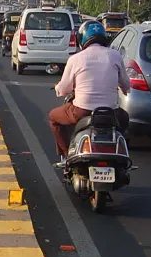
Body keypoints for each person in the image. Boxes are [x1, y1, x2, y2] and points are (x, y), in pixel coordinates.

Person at [50, 21, 129, 159]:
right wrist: (123, 88)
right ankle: (120, 150)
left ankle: (66, 153)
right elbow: (126, 84)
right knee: (125, 118)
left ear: (82, 39)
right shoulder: (115, 56)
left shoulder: (75, 59)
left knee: (53, 117)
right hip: (112, 113)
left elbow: (64, 89)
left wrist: (58, 88)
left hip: (81, 111)